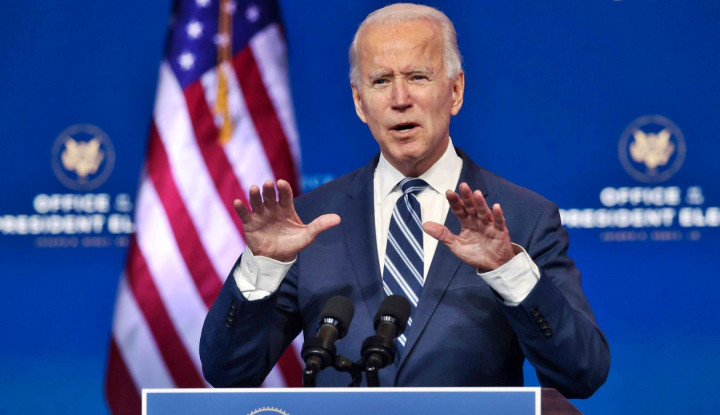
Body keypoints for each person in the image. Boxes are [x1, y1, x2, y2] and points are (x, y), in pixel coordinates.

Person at [200, 3, 609, 398]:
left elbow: (582, 371)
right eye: (380, 81)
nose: (399, 98)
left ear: (455, 91)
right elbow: (229, 373)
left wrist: (508, 271)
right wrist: (264, 267)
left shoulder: (523, 218)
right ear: (360, 102)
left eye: (417, 77)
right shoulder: (310, 223)